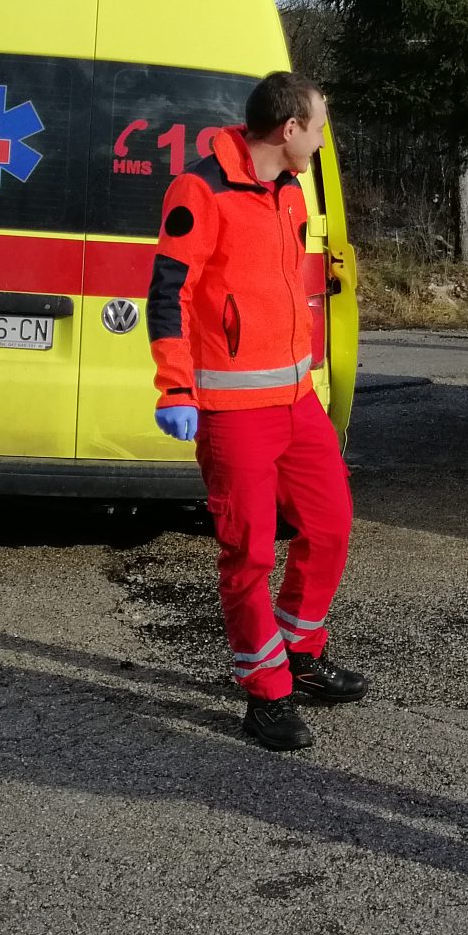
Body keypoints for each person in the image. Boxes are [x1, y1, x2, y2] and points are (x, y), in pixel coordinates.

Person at [149, 70, 367, 753]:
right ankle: (266, 692)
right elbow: (168, 294)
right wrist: (175, 388)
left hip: (296, 402)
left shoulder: (291, 190)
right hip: (233, 410)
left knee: (329, 527)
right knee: (247, 555)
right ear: (289, 128)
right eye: (319, 128)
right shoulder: (200, 190)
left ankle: (299, 652)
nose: (323, 140)